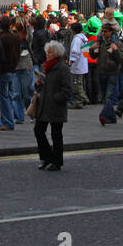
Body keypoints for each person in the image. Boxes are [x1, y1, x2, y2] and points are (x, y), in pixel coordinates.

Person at [34, 40, 72, 171]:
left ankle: (57, 161)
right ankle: (46, 158)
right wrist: (37, 84)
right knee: (38, 131)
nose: (47, 54)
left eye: (50, 52)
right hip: (43, 104)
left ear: (56, 54)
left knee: (56, 134)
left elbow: (67, 90)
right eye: (47, 52)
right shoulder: (45, 66)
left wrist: (56, 97)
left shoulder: (63, 69)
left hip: (56, 106)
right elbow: (40, 85)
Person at [95, 21, 123, 125]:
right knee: (105, 97)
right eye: (102, 31)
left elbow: (122, 59)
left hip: (112, 73)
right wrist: (92, 49)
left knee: (108, 96)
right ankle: (112, 117)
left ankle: (103, 115)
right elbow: (94, 56)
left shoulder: (117, 43)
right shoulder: (101, 43)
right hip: (101, 72)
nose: (103, 33)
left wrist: (115, 51)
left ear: (111, 32)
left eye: (105, 31)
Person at [67, 20, 88, 109]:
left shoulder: (76, 39)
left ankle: (83, 98)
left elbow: (75, 52)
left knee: (76, 84)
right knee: (79, 82)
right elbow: (85, 51)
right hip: (82, 63)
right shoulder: (83, 38)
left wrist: (71, 61)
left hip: (77, 64)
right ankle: (78, 101)